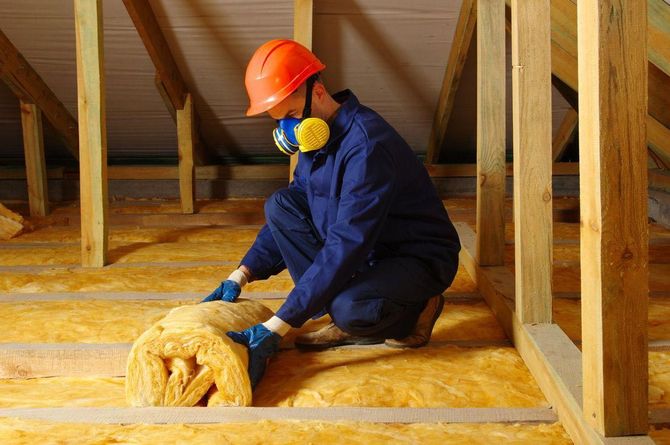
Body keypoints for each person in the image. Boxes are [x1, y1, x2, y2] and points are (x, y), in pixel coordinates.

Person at [203, 39, 461, 388]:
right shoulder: (317, 137)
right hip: (367, 251)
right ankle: (348, 303)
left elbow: (347, 242)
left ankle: (419, 307)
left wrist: (278, 326)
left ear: (319, 92)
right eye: (280, 121)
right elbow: (297, 202)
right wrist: (242, 273)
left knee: (350, 308)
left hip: (414, 255)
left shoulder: (367, 146)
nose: (289, 130)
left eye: (292, 116)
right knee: (280, 205)